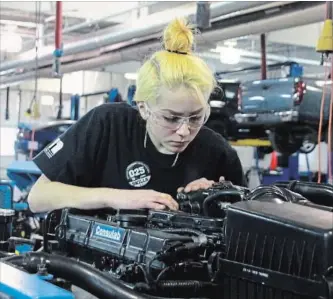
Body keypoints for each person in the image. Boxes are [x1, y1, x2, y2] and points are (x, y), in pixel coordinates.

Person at [28, 18, 246, 214]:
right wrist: (116, 197)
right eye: (171, 118)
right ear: (143, 108)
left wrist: (217, 196)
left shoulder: (217, 152)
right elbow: (38, 198)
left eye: (196, 117)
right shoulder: (107, 126)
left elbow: (246, 218)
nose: (184, 131)